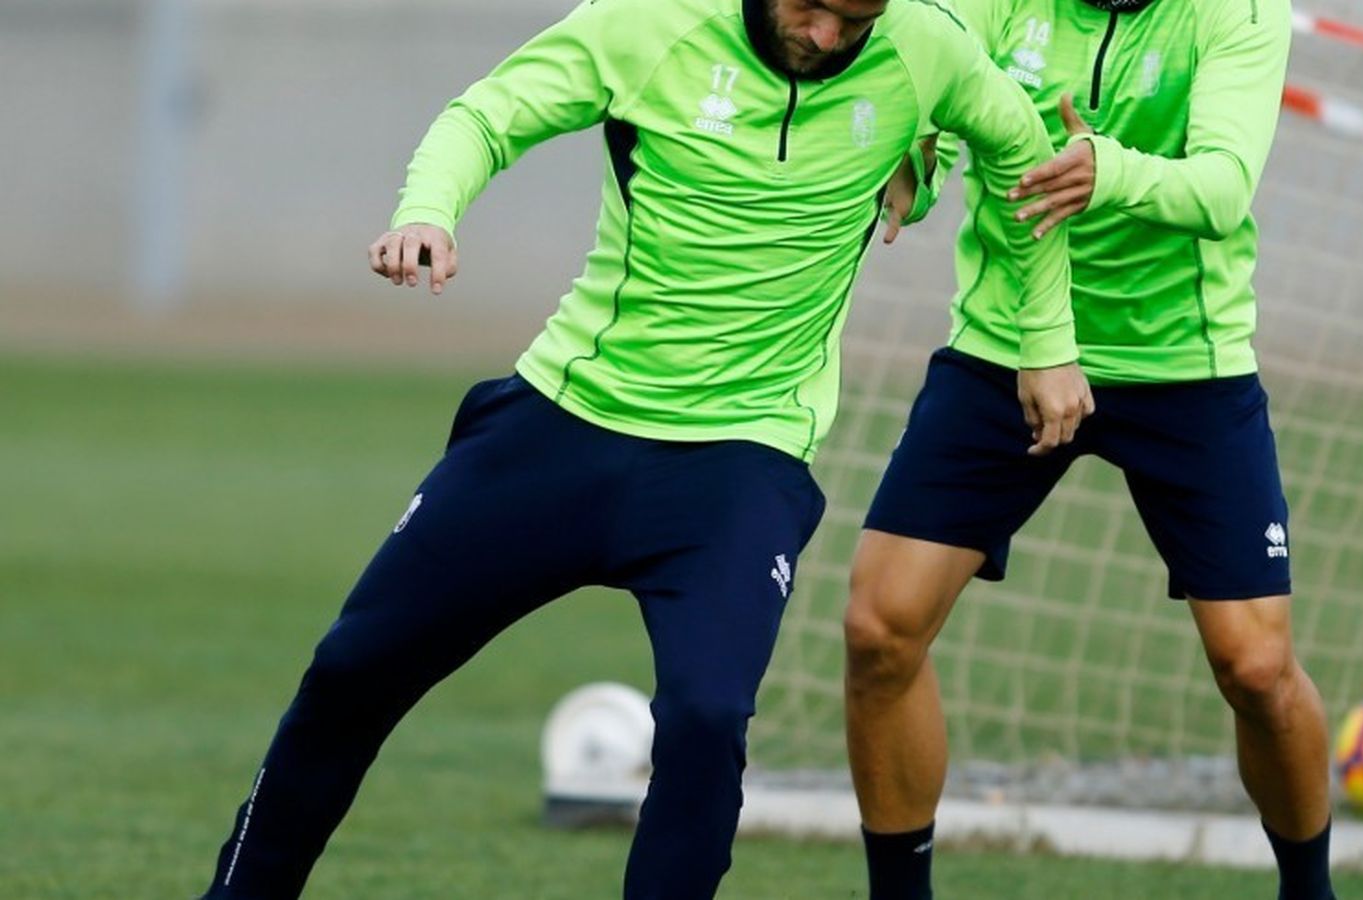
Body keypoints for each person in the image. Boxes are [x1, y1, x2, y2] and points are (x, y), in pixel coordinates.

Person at [199, 0, 1093, 896]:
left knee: (707, 723)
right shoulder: (649, 21)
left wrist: (1044, 336)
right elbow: (490, 113)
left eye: (854, 19)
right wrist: (428, 211)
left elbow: (1022, 154)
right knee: (354, 668)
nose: (827, 36)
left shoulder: (924, 48)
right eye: (810, 7)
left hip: (742, 459)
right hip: (565, 423)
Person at [845, 0, 1338, 898]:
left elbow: (1224, 189)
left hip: (1184, 359)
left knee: (1257, 670)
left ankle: (1310, 890)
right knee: (880, 630)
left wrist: (1103, 169)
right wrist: (913, 158)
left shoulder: (1239, 15)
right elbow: (940, 90)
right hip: (1005, 348)